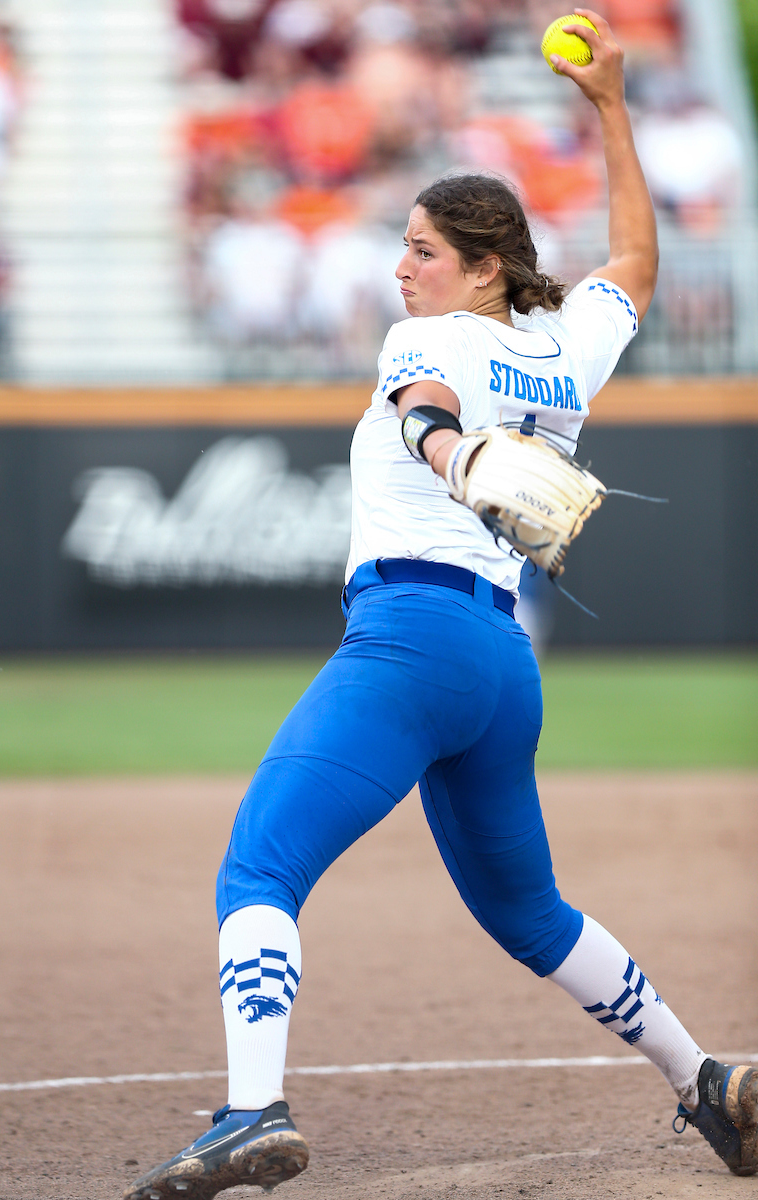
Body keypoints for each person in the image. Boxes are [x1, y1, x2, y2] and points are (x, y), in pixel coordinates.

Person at [125, 12, 757, 1198]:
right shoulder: (563, 351)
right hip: (499, 661)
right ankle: (706, 1078)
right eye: (403, 244)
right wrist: (611, 109)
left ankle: (250, 1111)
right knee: (530, 913)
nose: (399, 265)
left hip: (410, 640)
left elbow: (421, 407)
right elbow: (633, 265)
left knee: (257, 871)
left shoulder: (430, 339)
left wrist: (452, 451)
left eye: (422, 248)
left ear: (480, 265)